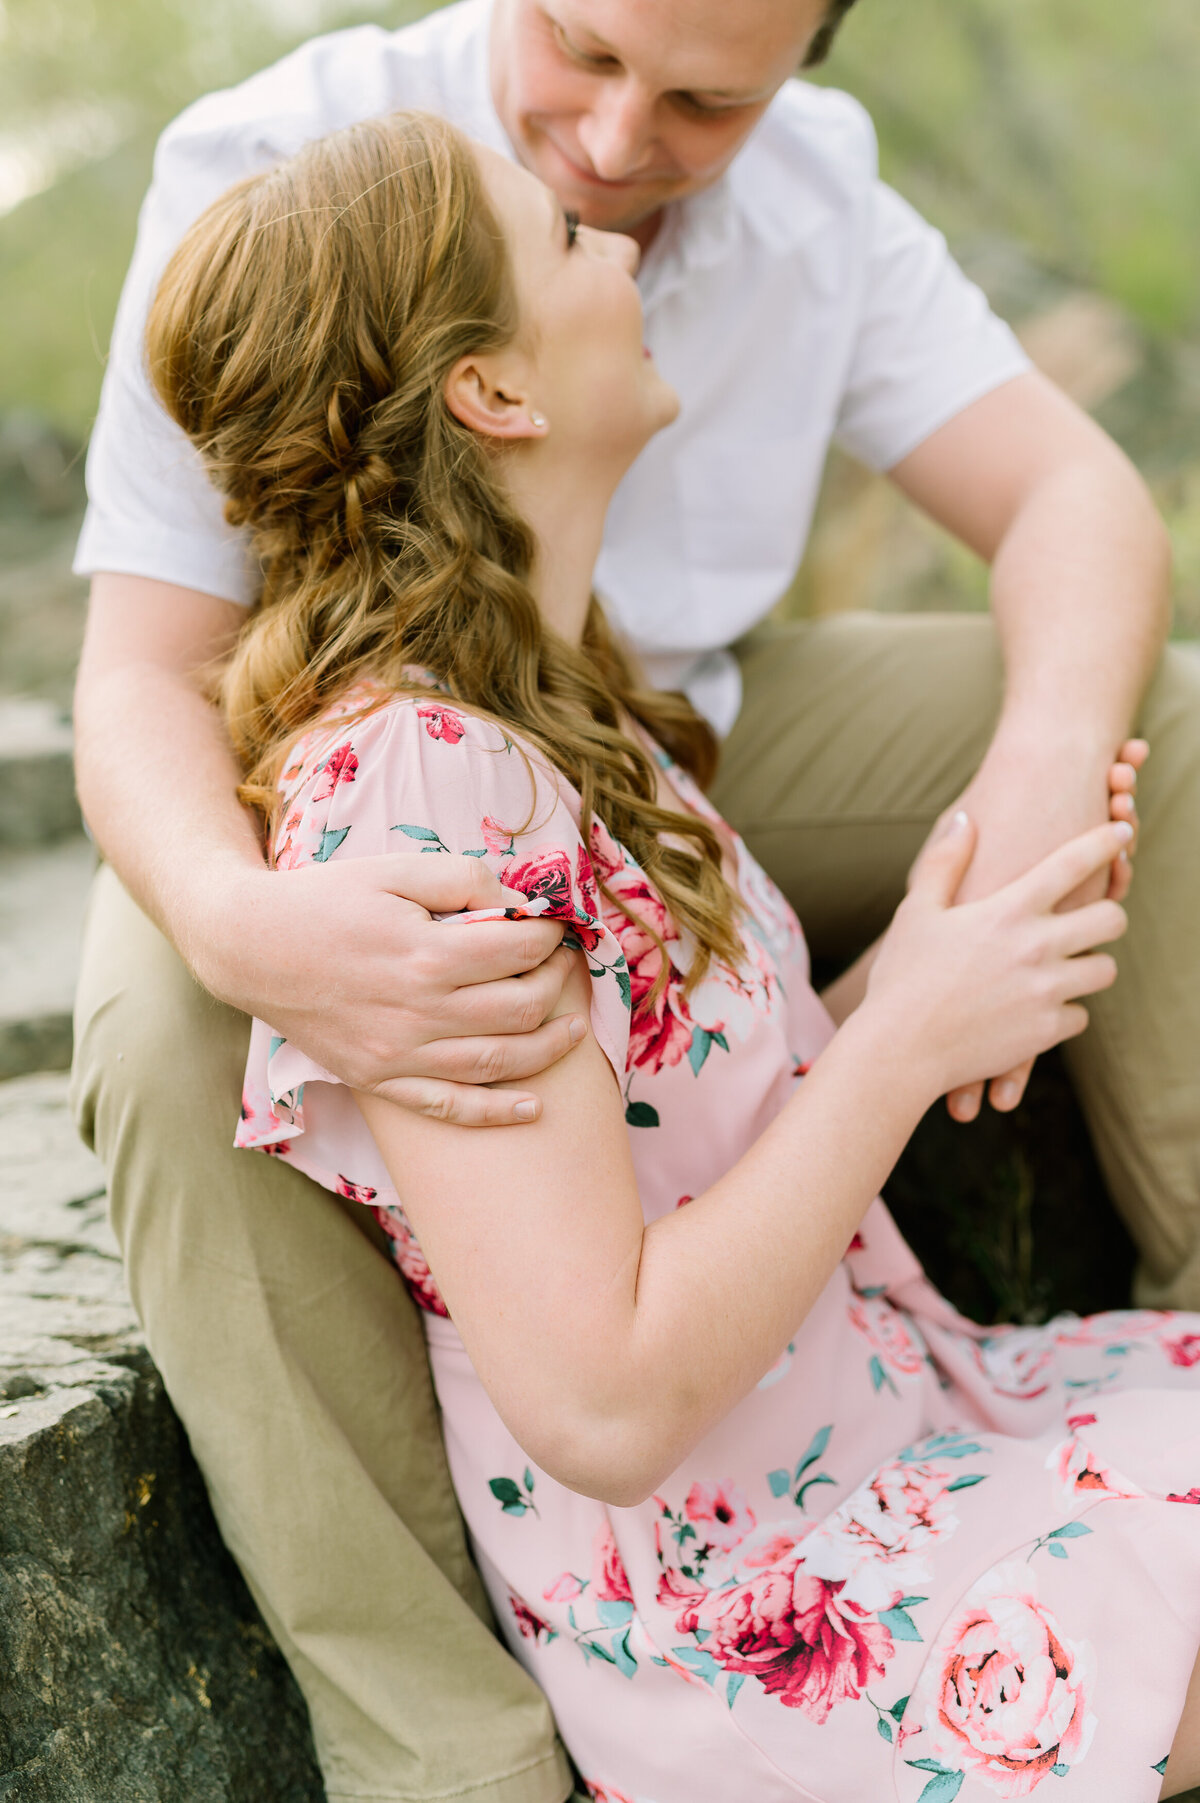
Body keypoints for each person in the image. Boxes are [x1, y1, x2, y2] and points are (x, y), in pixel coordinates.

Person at [68, 0, 1198, 1796]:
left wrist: (1002, 843)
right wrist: (247, 920)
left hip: (600, 715)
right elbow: (137, 676)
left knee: (1162, 693)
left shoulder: (587, 688)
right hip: (709, 1559)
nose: (604, 151)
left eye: (700, 98)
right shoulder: (298, 169)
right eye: (582, 60)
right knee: (153, 1028)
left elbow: (1073, 494)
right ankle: (448, 1760)